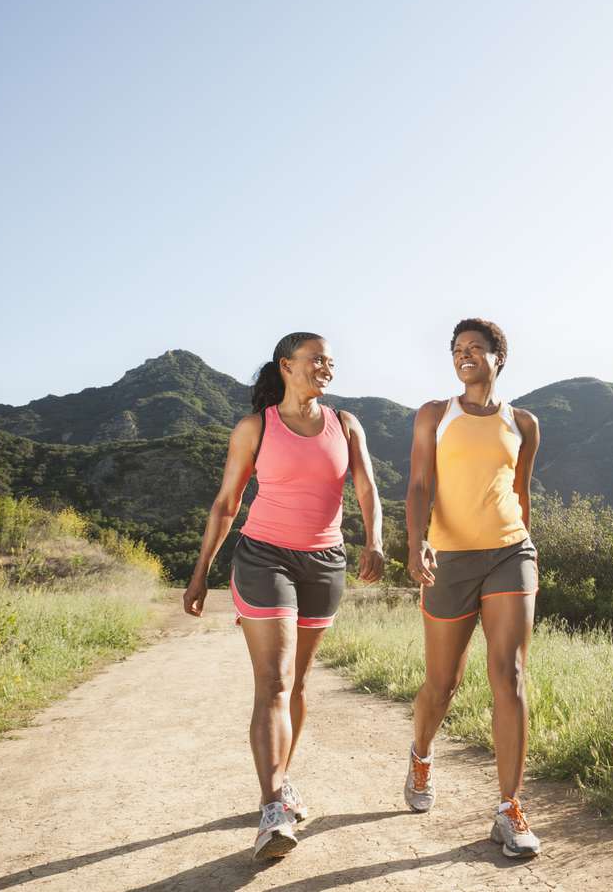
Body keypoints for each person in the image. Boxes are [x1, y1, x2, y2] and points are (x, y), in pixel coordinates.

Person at [182, 332, 385, 860]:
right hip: (263, 555)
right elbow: (227, 502)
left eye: (331, 361)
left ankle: (281, 779)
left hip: (324, 561)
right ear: (286, 365)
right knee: (273, 680)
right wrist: (201, 570)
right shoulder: (256, 428)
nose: (327, 367)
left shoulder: (346, 424)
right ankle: (273, 807)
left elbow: (366, 487)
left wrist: (376, 541)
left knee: (296, 683)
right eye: (317, 359)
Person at [403, 317, 543, 857]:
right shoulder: (435, 415)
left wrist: (528, 549)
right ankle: (420, 753)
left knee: (508, 674)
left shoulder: (523, 422)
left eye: (475, 349)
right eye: (457, 349)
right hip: (449, 558)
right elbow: (418, 484)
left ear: (497, 358)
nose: (464, 356)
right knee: (442, 684)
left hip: (510, 552)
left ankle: (509, 809)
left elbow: (521, 492)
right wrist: (416, 544)